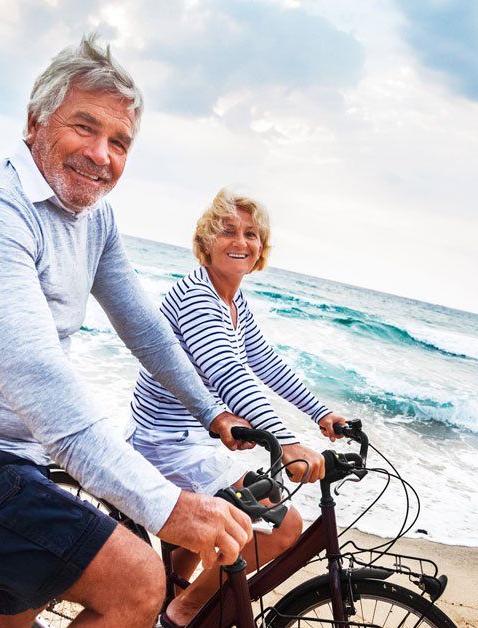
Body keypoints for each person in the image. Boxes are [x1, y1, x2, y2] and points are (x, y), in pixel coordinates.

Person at [0, 36, 255, 628]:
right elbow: (39, 378)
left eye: (119, 142)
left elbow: (144, 328)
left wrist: (210, 411)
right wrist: (168, 505)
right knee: (138, 580)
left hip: (8, 459)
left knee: (61, 570)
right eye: (84, 128)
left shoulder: (91, 217)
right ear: (34, 122)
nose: (102, 155)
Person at [129, 189, 349, 627]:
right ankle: (186, 610)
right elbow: (227, 370)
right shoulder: (197, 297)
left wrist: (322, 413)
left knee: (242, 515)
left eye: (251, 234)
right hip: (166, 443)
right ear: (207, 239)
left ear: (260, 248)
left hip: (196, 441)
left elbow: (265, 363)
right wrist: (285, 442)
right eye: (228, 230)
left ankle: (171, 603)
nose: (241, 241)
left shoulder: (232, 302)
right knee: (283, 526)